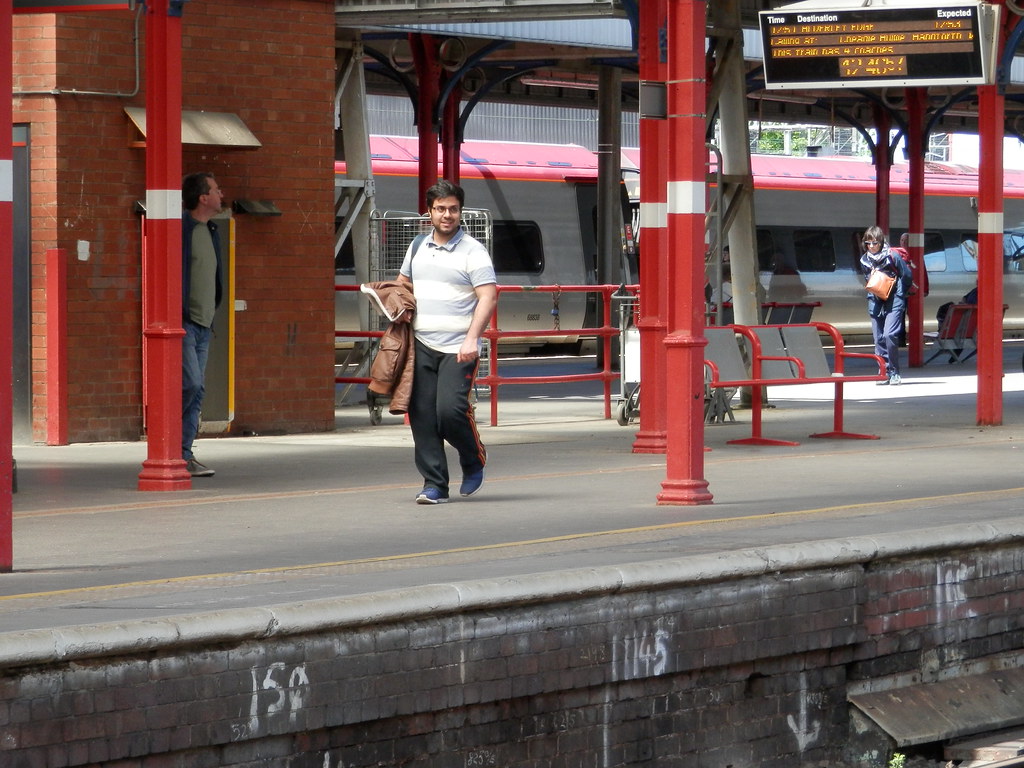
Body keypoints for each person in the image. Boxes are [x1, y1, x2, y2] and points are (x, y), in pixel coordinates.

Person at [396, 179, 498, 504]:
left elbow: (488, 296)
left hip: (459, 348)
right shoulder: (416, 247)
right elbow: (403, 284)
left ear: (460, 212)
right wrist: (392, 299)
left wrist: (472, 338)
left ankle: (472, 459)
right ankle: (434, 485)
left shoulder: (473, 251)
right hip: (421, 344)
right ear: (429, 212)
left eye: (453, 209)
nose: (447, 215)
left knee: (450, 411)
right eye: (440, 209)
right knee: (423, 415)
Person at [181, 172, 225, 477]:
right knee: (191, 384)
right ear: (203, 197)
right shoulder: (182, 230)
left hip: (204, 324)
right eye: (216, 190)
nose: (222, 194)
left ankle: (184, 453)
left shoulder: (212, 230)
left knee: (197, 391)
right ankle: (171, 444)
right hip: (184, 323)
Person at [860, 226, 911, 385]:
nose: (871, 246)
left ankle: (894, 371)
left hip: (894, 299)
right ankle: (884, 371)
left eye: (874, 243)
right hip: (875, 300)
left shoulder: (893, 256)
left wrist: (900, 293)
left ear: (881, 242)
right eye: (868, 243)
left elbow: (907, 275)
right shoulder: (864, 260)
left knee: (890, 335)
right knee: (878, 338)